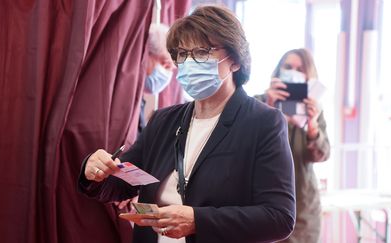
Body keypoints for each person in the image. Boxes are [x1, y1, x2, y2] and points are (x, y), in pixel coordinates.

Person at [78, 5, 295, 243]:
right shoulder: (164, 120)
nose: (190, 63)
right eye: (182, 54)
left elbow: (279, 217)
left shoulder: (262, 123)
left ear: (234, 60)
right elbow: (123, 184)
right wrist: (96, 171)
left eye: (202, 52)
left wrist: (197, 221)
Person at [256, 48, 330, 243]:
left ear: (309, 76)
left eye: (300, 69)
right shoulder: (258, 104)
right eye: (288, 67)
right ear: (278, 71)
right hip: (261, 205)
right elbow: (246, 147)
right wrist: (270, 109)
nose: (293, 72)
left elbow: (322, 155)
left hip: (303, 211)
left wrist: (312, 125)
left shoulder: (313, 110)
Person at [138, 23, 175, 134]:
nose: (167, 74)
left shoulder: (138, 101)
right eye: (165, 64)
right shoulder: (121, 96)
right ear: (146, 54)